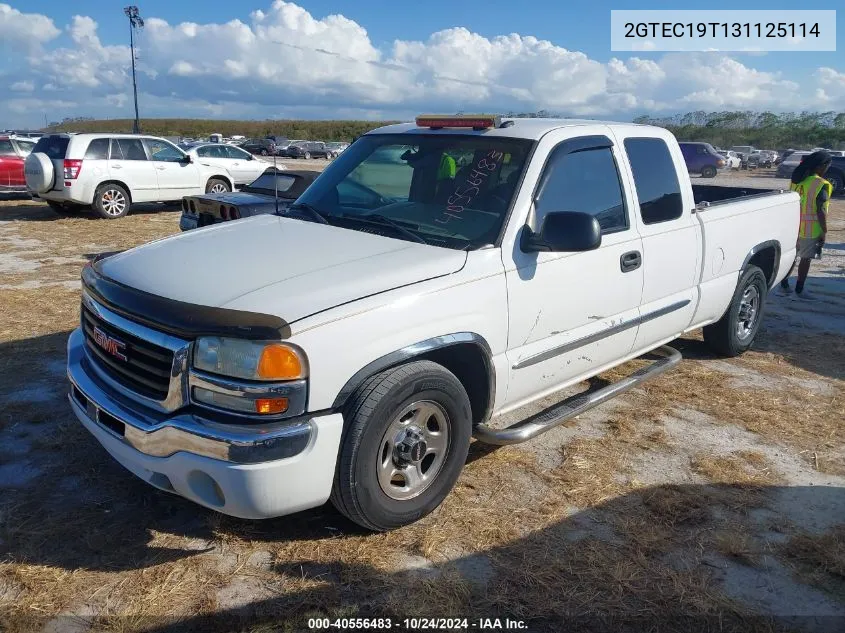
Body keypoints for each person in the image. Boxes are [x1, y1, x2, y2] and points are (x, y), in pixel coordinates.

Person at [779, 151, 831, 299]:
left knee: (791, 257)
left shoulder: (796, 181)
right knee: (805, 259)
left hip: (794, 225)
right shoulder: (820, 184)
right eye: (827, 166)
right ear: (821, 166)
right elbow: (820, 209)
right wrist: (824, 231)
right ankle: (799, 290)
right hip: (811, 228)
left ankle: (783, 286)